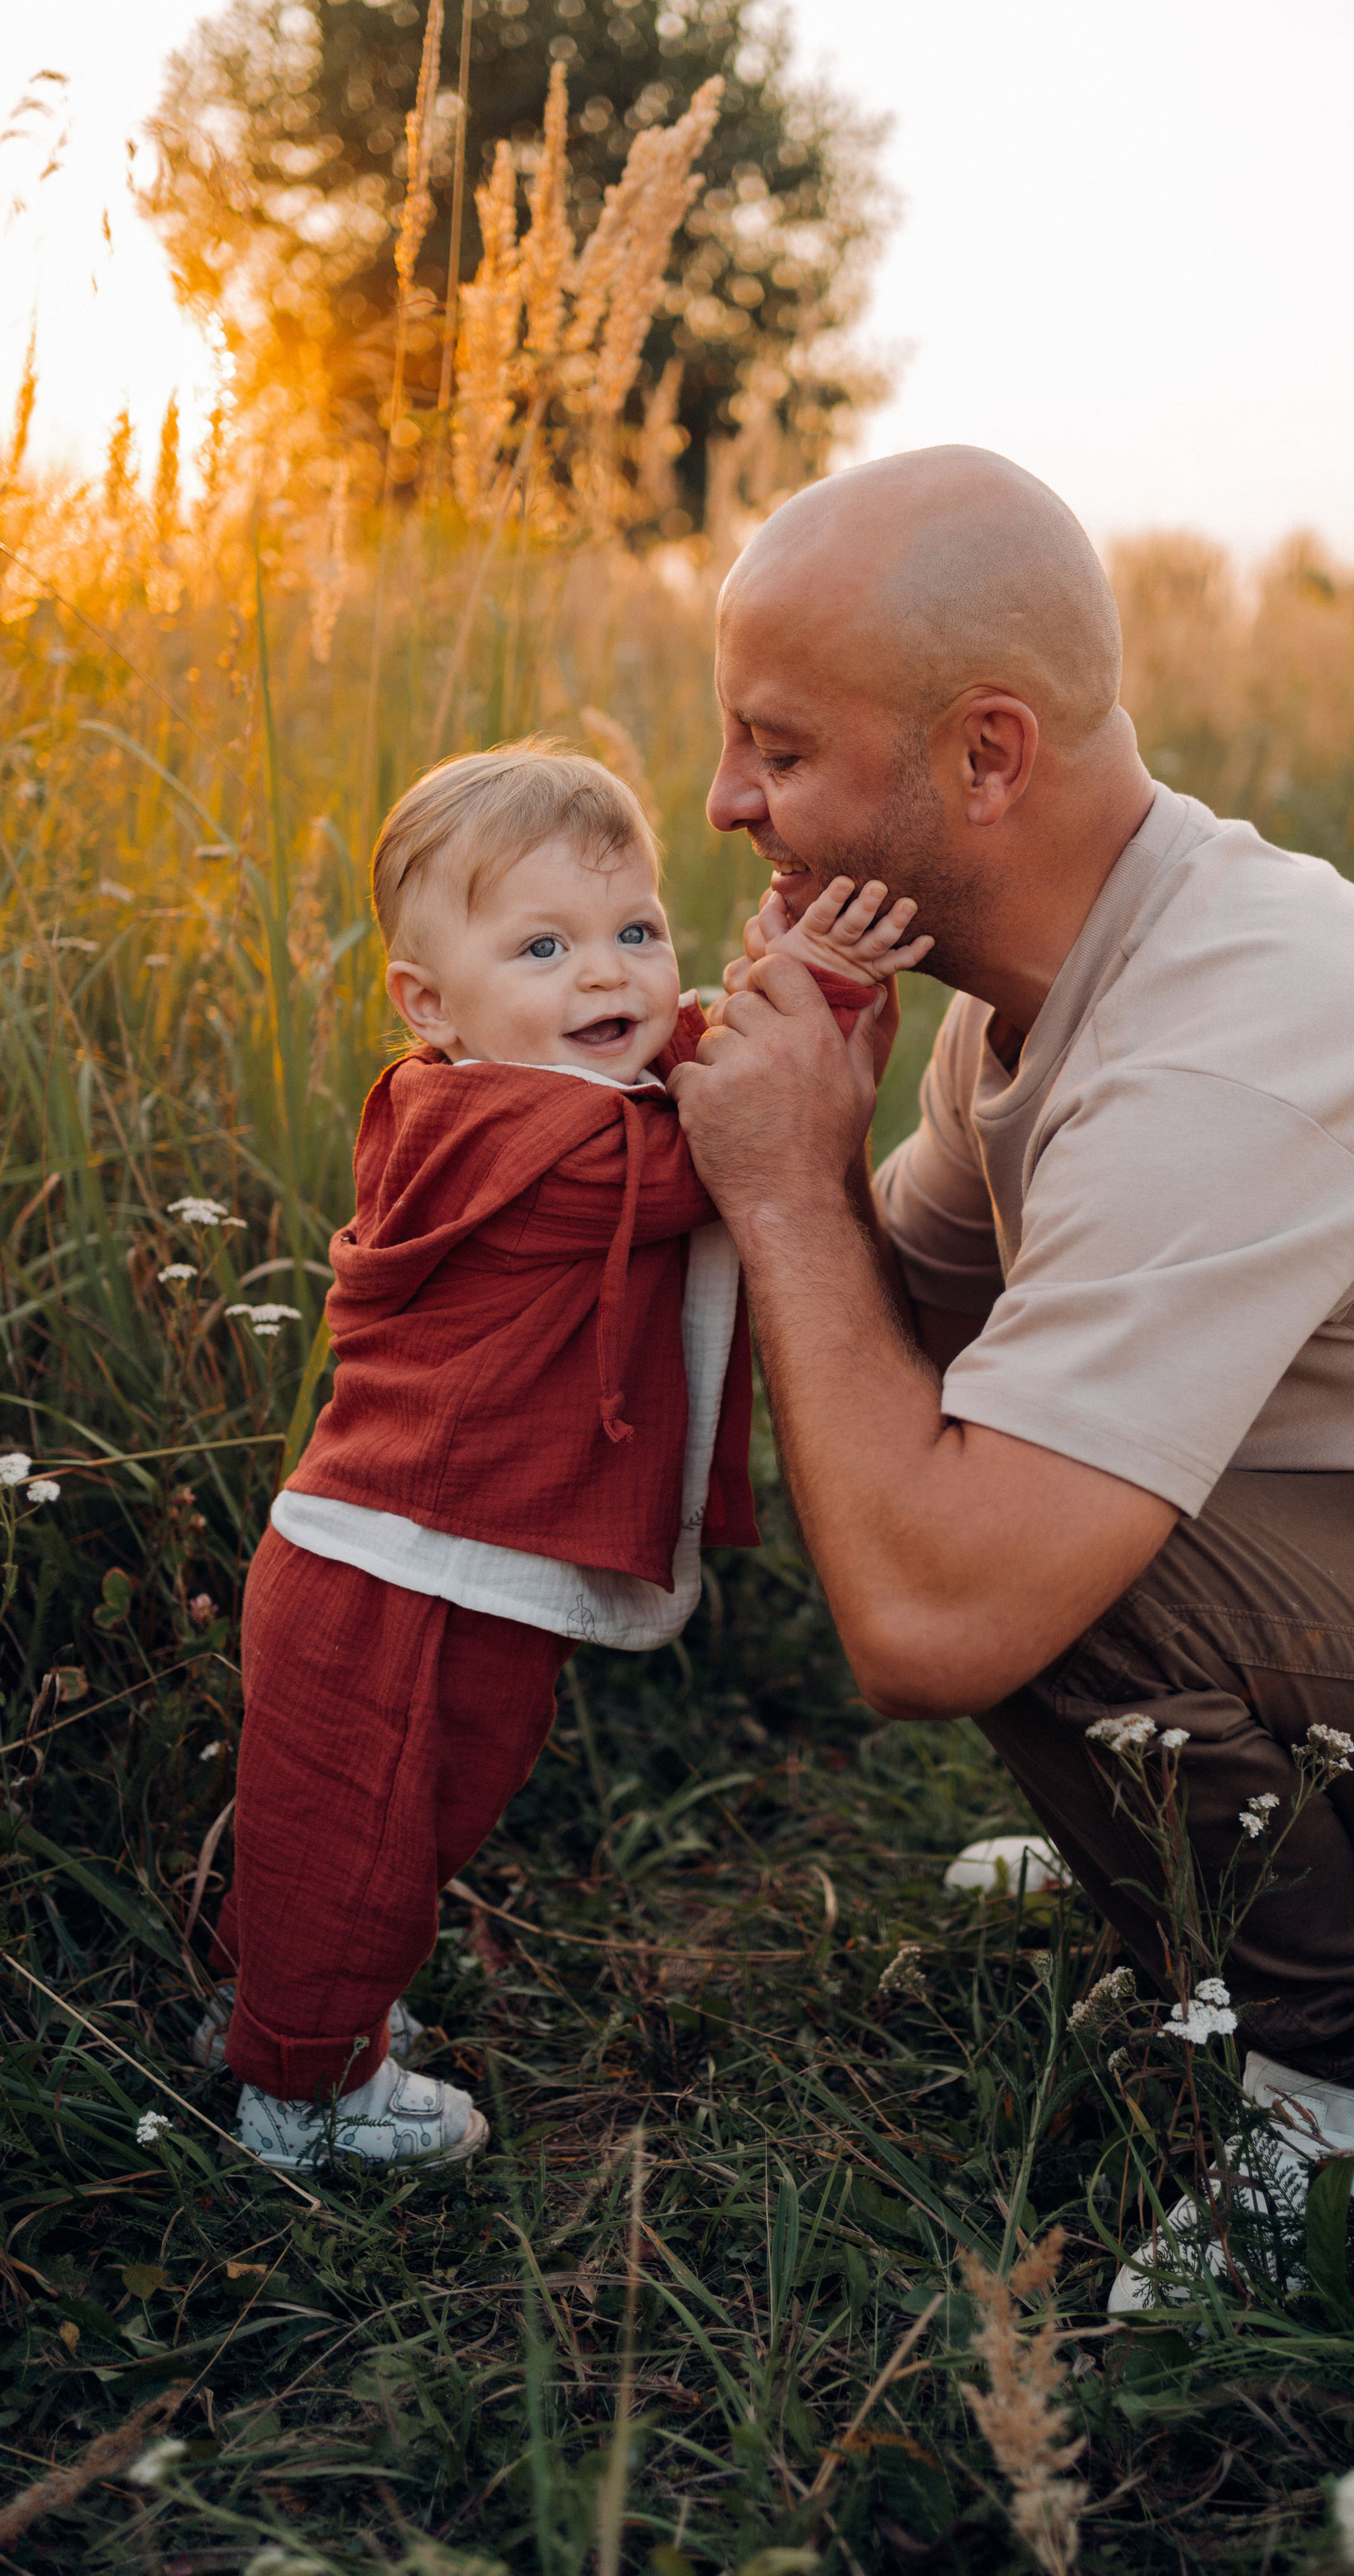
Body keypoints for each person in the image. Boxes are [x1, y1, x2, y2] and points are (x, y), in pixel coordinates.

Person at [670, 445, 1354, 2285]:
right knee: (1004, 1453)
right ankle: (1215, 1847)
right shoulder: (1052, 991)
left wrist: (791, 1197)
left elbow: (933, 1615)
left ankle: (1339, 2116)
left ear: (985, 755)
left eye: (778, 749)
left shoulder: (1227, 1049)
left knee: (1044, 1559)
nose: (723, 801)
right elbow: (897, 1329)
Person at [205, 740, 927, 2172]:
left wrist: (774, 970)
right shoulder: (492, 1128)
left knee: (422, 1809)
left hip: (458, 1554)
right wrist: (813, 997)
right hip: (390, 1560)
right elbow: (711, 1148)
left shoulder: (546, 1083)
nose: (605, 975)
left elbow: (699, 1069)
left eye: (635, 933)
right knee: (351, 1827)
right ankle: (299, 2096)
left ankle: (306, 2012)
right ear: (430, 1005)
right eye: (542, 945)